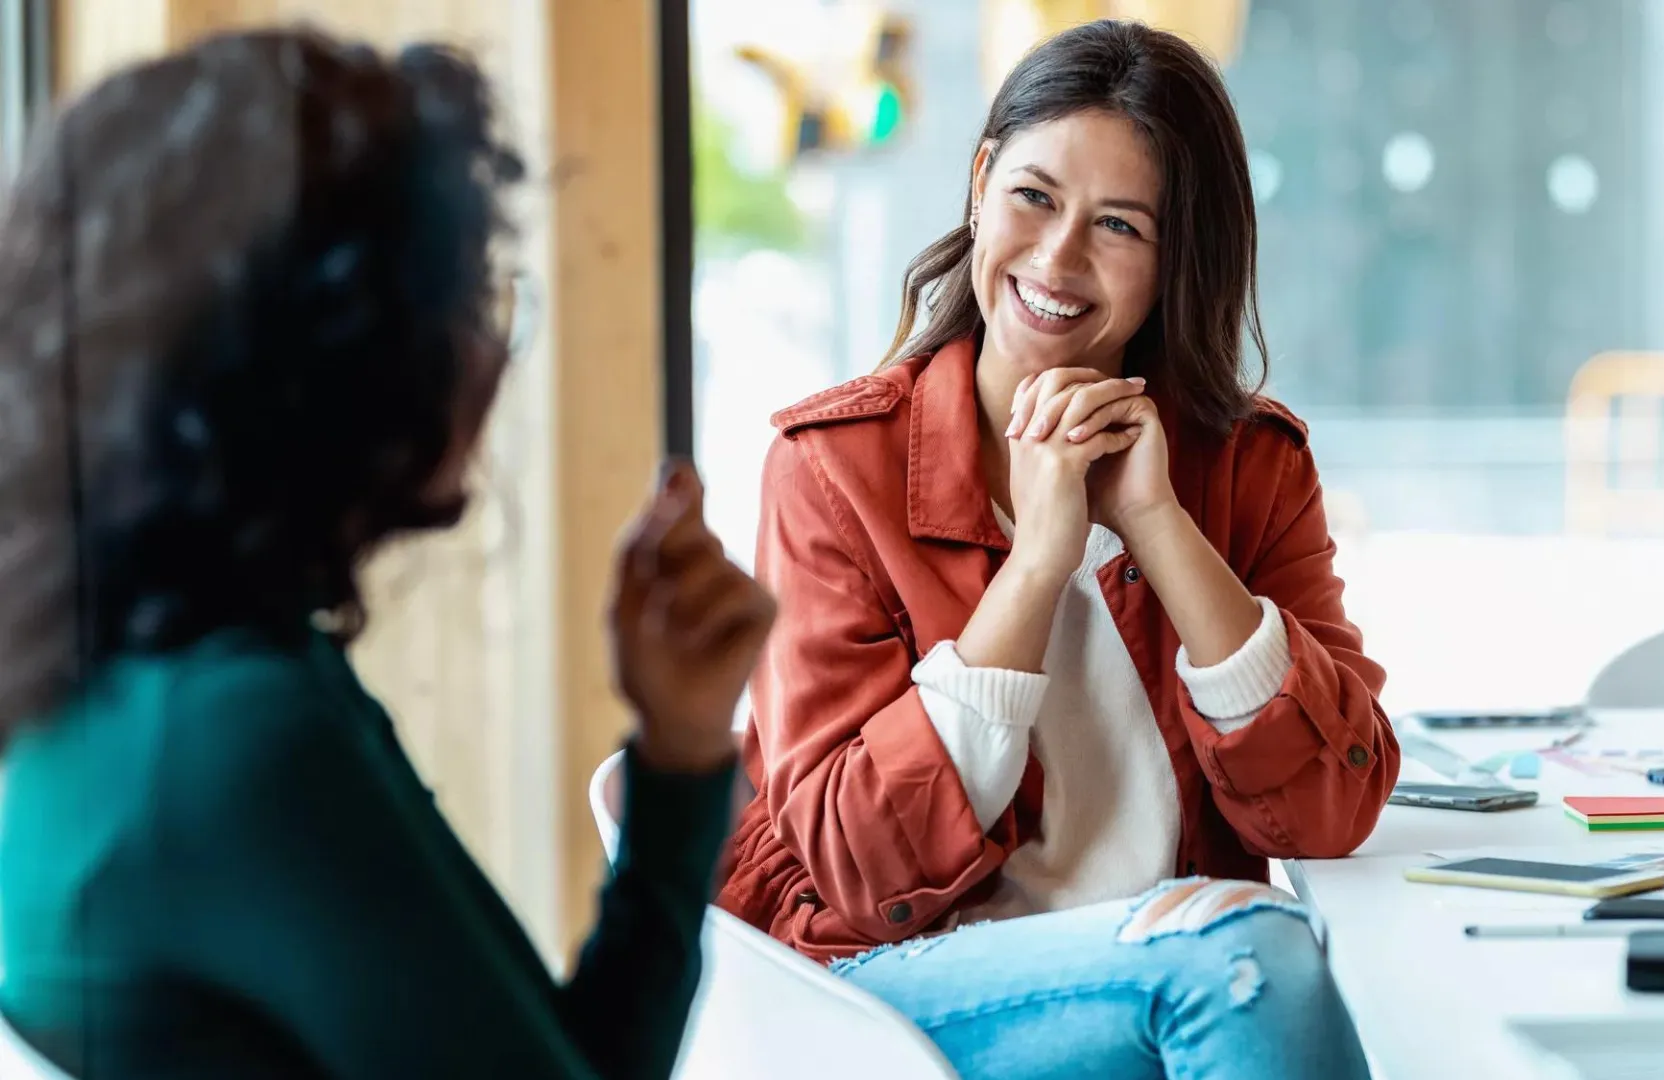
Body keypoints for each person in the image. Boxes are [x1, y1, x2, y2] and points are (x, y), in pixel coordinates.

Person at [0, 29, 773, 1079]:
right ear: (334, 357)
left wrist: (681, 752)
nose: (494, 349)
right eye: (464, 298)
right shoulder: (238, 742)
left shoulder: (145, 684)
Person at [715, 19, 1397, 1080]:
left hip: (1165, 980)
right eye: (1034, 197)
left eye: (1120, 226)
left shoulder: (1247, 467)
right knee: (1248, 961)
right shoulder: (832, 467)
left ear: (1179, 259)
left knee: (1282, 971)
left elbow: (1328, 808)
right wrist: (1039, 563)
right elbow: (856, 866)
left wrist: (1160, 526)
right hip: (890, 988)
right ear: (982, 180)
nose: (1058, 259)